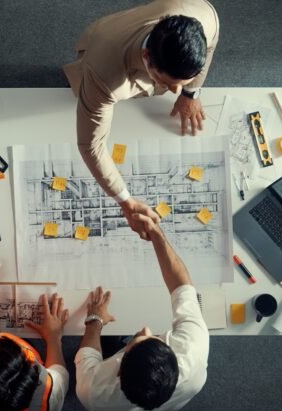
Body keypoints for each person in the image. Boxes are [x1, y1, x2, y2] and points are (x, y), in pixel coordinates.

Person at [63, 0, 219, 241]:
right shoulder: (103, 72)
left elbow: (209, 48)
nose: (174, 92)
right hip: (108, 49)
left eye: (183, 82)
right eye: (167, 82)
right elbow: (90, 145)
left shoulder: (204, 16)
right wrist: (125, 201)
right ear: (147, 57)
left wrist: (191, 93)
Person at [74, 213, 210, 411]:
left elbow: (87, 356)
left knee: (103, 343)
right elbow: (182, 286)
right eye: (153, 339)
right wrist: (156, 233)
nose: (146, 329)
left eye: (135, 343)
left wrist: (95, 320)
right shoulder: (193, 349)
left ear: (118, 369)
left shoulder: (92, 392)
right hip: (172, 399)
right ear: (174, 357)